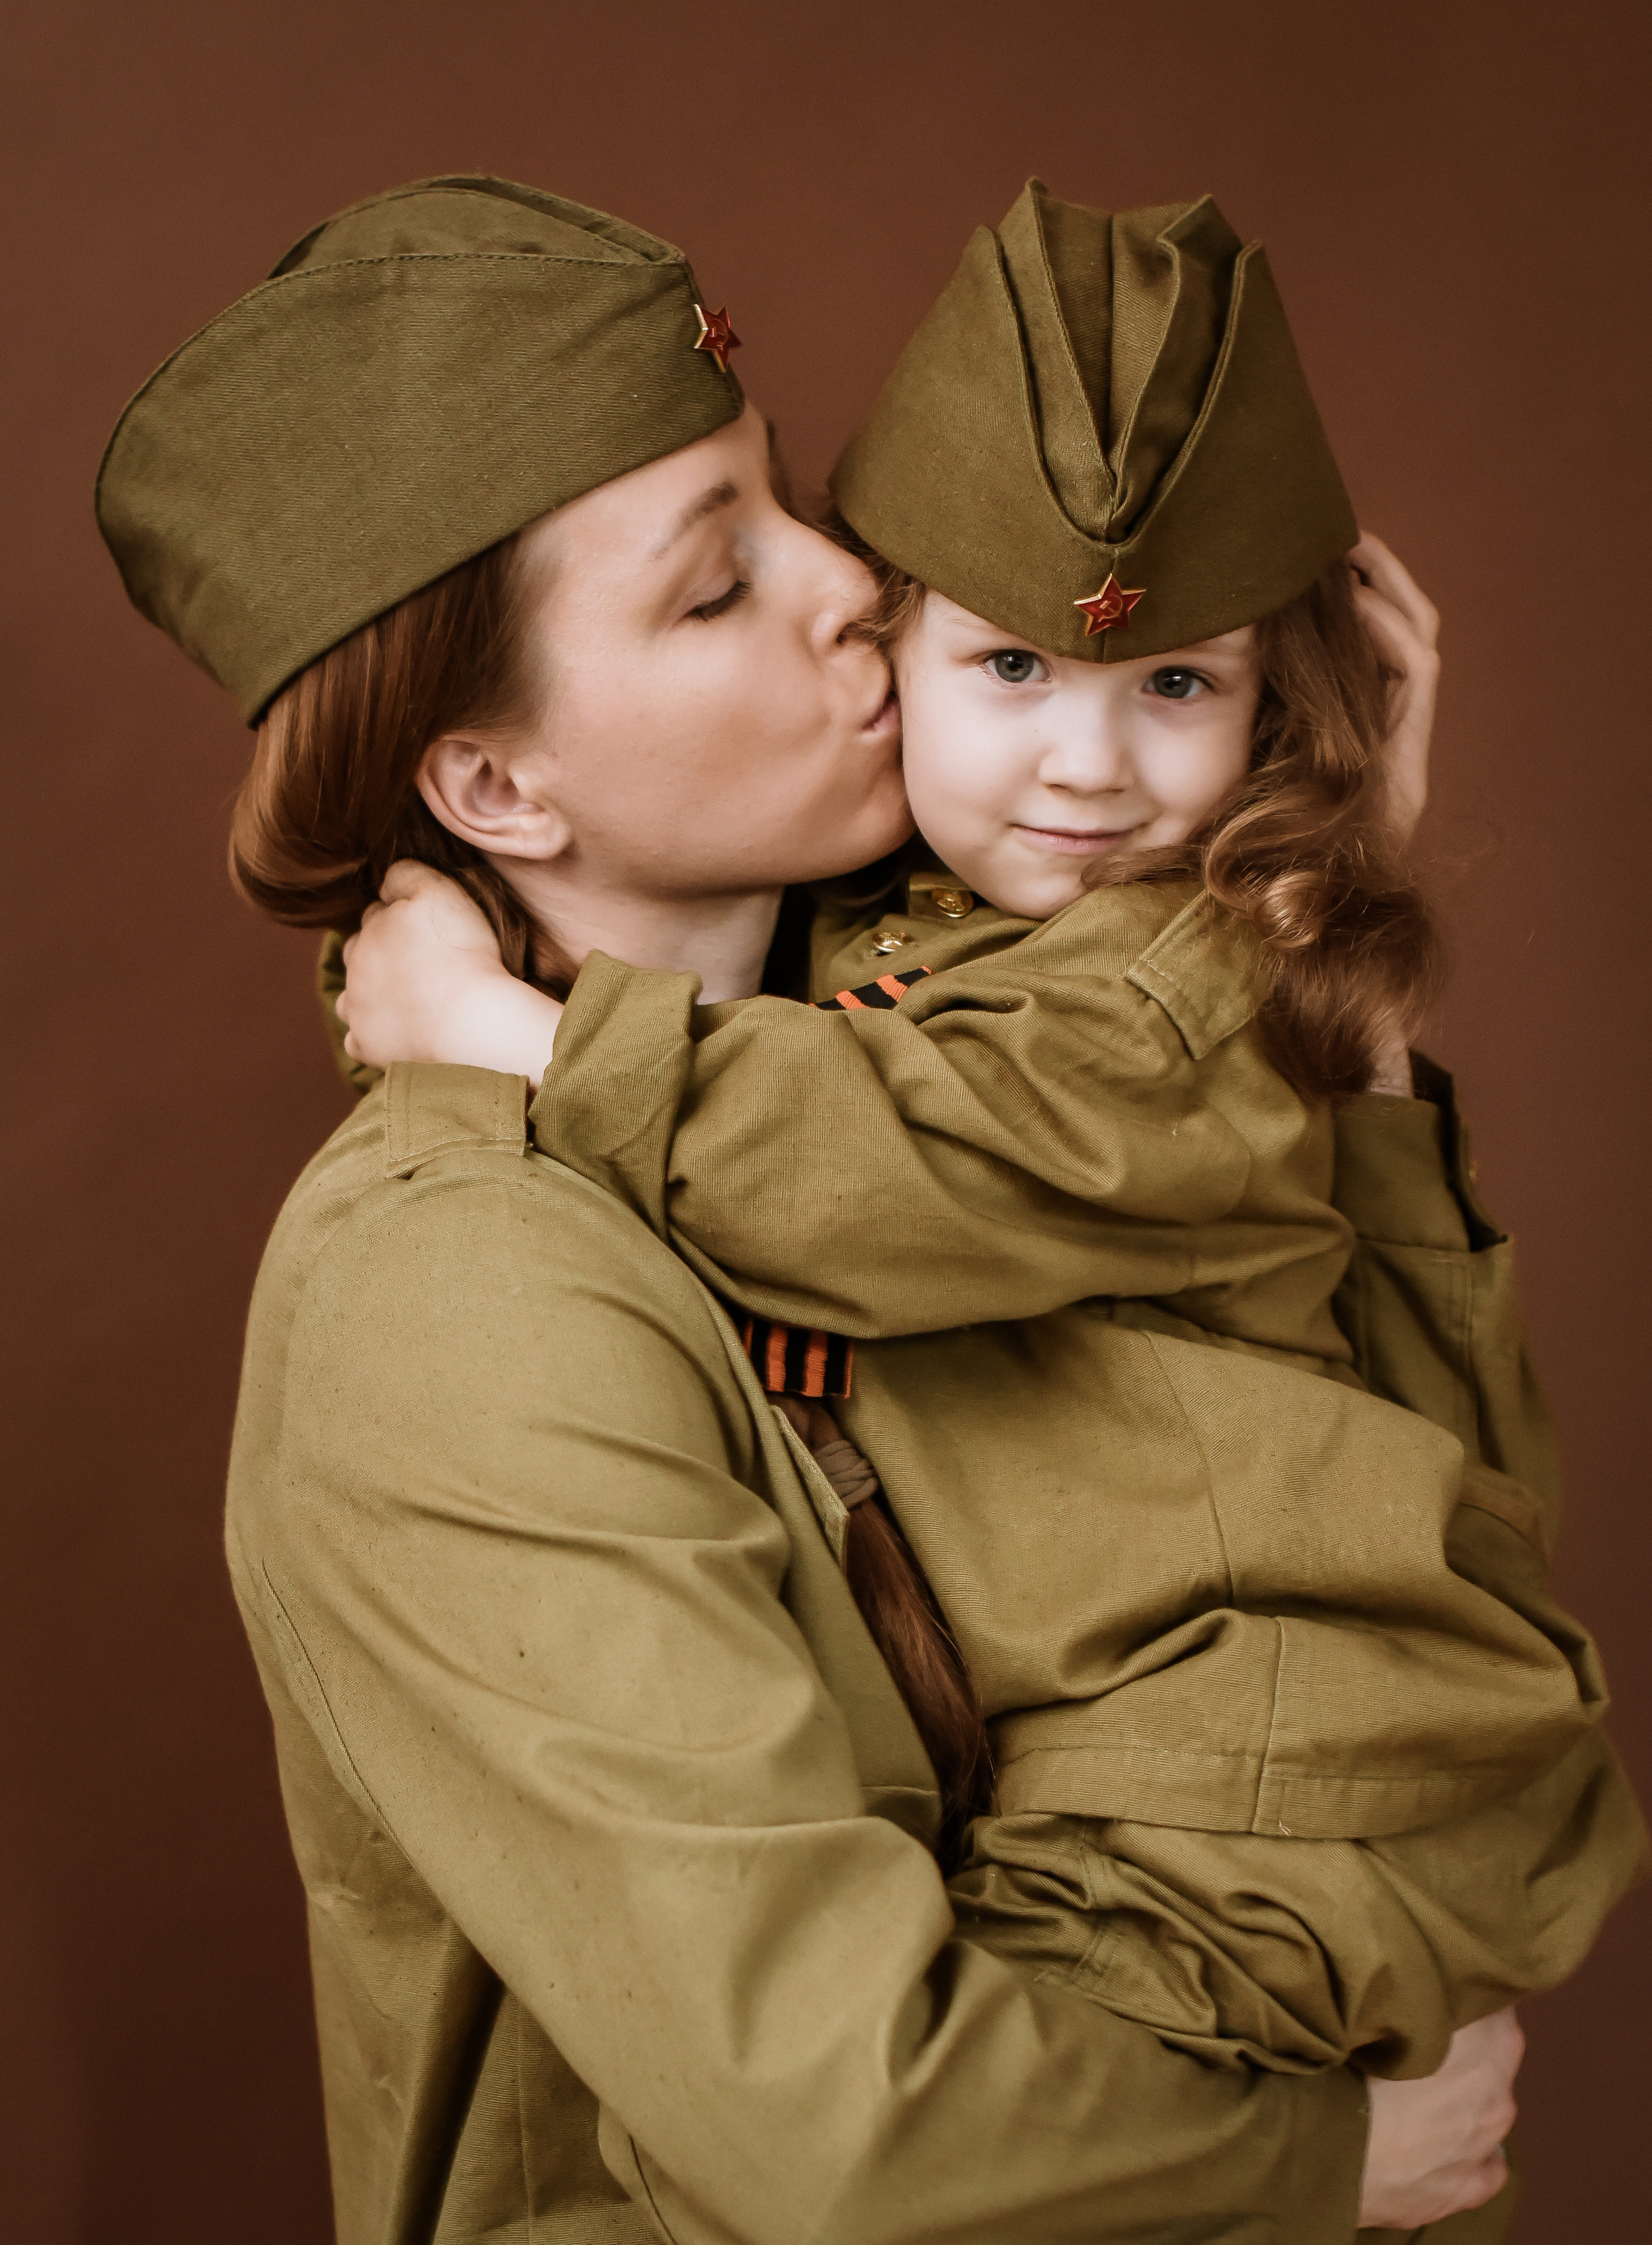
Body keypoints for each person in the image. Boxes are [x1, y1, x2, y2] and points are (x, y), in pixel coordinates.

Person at [97, 172, 1525, 2242]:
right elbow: (832, 2113)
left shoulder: (946, 1039)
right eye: (716, 588)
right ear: (495, 789)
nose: (856, 582)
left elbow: (1413, 1576)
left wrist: (1329, 1001)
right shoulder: (458, 1285)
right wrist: (1326, 2161)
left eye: (787, 499)